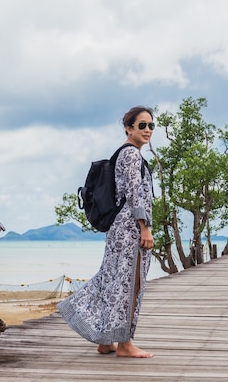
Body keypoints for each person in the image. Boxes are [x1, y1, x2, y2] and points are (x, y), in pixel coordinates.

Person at [58, 106, 155, 358]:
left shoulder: (124, 155)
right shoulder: (132, 155)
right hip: (131, 229)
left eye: (151, 126)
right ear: (128, 128)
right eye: (141, 125)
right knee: (129, 285)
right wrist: (144, 228)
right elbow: (135, 194)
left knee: (114, 281)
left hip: (118, 229)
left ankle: (105, 340)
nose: (147, 130)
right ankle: (125, 344)